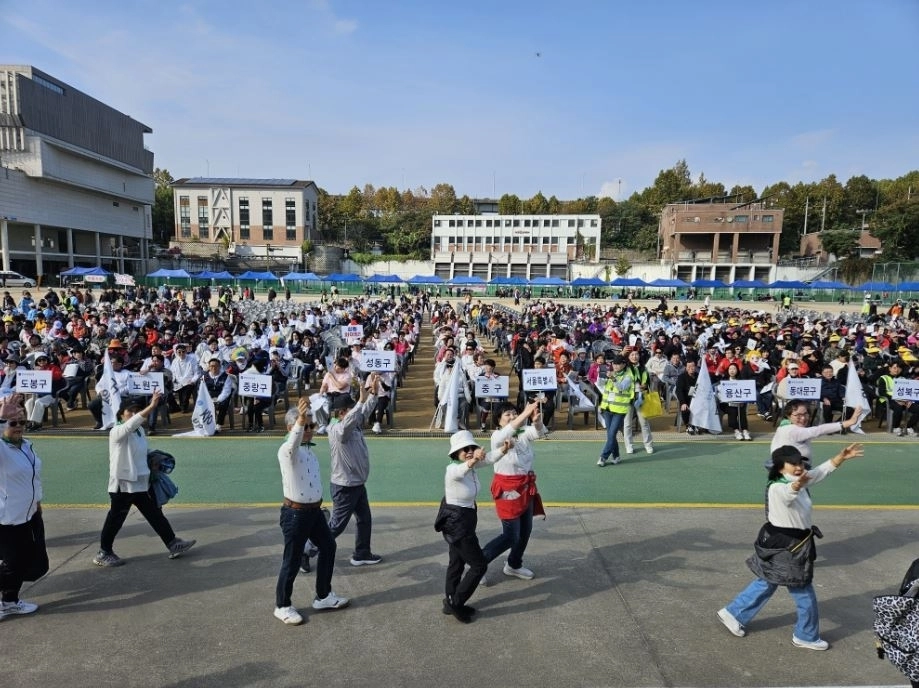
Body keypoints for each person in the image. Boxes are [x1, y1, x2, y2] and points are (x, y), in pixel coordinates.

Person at [717, 443, 864, 650]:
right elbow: (788, 493)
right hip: (789, 547)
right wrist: (798, 484)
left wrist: (842, 457)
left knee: (768, 581)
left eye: (800, 463)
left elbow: (821, 471)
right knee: (803, 589)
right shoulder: (778, 487)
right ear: (780, 467)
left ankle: (734, 613)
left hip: (787, 543)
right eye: (792, 464)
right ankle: (806, 635)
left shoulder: (798, 479)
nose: (798, 467)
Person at [92, 392, 196, 567]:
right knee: (115, 520)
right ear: (121, 414)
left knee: (155, 514)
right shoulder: (117, 431)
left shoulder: (139, 430)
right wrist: (151, 406)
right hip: (123, 485)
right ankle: (104, 552)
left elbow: (142, 449)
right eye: (129, 411)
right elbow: (131, 425)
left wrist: (153, 459)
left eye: (136, 411)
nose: (133, 414)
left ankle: (173, 543)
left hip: (141, 482)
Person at [274, 398, 348, 625]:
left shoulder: (309, 452)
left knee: (328, 546)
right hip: (295, 514)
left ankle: (323, 595)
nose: (308, 431)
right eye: (304, 426)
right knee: (292, 559)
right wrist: (300, 421)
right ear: (291, 427)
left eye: (311, 426)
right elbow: (293, 442)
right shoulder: (288, 450)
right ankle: (282, 605)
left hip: (314, 512)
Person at [302, 374, 382, 572]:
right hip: (345, 486)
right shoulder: (337, 429)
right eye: (349, 409)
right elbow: (356, 415)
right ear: (341, 413)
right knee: (336, 525)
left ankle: (362, 553)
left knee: (364, 518)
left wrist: (373, 391)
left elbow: (363, 411)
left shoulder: (351, 424)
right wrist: (361, 401)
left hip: (356, 483)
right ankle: (306, 551)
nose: (354, 412)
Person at [480, 400, 545, 581]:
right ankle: (478, 563)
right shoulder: (497, 437)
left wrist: (537, 419)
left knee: (525, 531)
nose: (512, 416)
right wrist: (525, 413)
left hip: (525, 487)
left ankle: (514, 564)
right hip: (507, 490)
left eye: (514, 413)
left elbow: (538, 432)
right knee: (510, 535)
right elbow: (508, 431)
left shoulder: (522, 432)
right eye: (507, 414)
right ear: (498, 420)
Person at [435, 430, 494, 623]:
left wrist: (505, 448)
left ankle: (450, 600)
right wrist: (473, 459)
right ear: (456, 453)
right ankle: (456, 602)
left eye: (471, 448)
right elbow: (462, 470)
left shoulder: (472, 467)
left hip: (463, 520)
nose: (469, 451)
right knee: (479, 565)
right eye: (464, 449)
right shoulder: (452, 469)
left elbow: (491, 458)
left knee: (456, 563)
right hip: (458, 523)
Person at [0, 397, 48, 620]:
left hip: (29, 514)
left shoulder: (27, 445)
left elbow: (34, 477)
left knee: (33, 563)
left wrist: (37, 502)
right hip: (7, 518)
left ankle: (10, 600)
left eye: (21, 422)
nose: (18, 426)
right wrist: (1, 417)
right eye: (12, 423)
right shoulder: (2, 449)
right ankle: (7, 601)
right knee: (13, 563)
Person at [771, 400, 862, 466]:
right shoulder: (792, 431)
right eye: (798, 415)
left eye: (805, 414)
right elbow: (819, 430)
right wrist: (849, 422)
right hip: (792, 479)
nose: (803, 418)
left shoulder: (783, 426)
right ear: (788, 416)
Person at [597, 354, 634, 466]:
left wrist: (613, 378)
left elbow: (622, 387)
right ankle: (616, 456)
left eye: (618, 364)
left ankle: (603, 457)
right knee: (610, 435)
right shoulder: (611, 373)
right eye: (614, 364)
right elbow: (600, 384)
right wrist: (601, 375)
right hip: (607, 408)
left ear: (623, 364)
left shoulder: (628, 376)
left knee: (612, 434)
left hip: (619, 410)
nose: (616, 366)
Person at [623, 347, 654, 455]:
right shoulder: (625, 367)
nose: (634, 356)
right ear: (628, 356)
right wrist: (623, 352)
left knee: (644, 422)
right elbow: (616, 361)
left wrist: (645, 385)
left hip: (641, 397)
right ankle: (629, 446)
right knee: (627, 424)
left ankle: (648, 445)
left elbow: (648, 383)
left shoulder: (643, 368)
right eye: (632, 355)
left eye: (636, 354)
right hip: (628, 398)